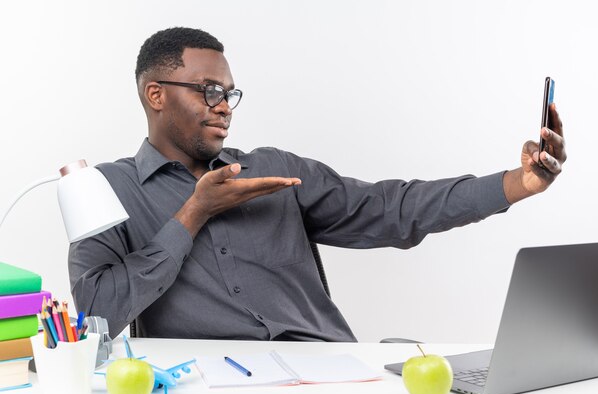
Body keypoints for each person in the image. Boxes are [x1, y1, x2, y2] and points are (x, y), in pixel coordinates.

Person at [69, 27, 566, 341]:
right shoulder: (105, 189)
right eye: (209, 91)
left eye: (229, 93)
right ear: (156, 94)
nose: (224, 106)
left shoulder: (272, 169)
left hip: (329, 375)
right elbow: (98, 315)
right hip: (201, 389)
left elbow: (392, 209)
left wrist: (518, 183)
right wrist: (192, 214)